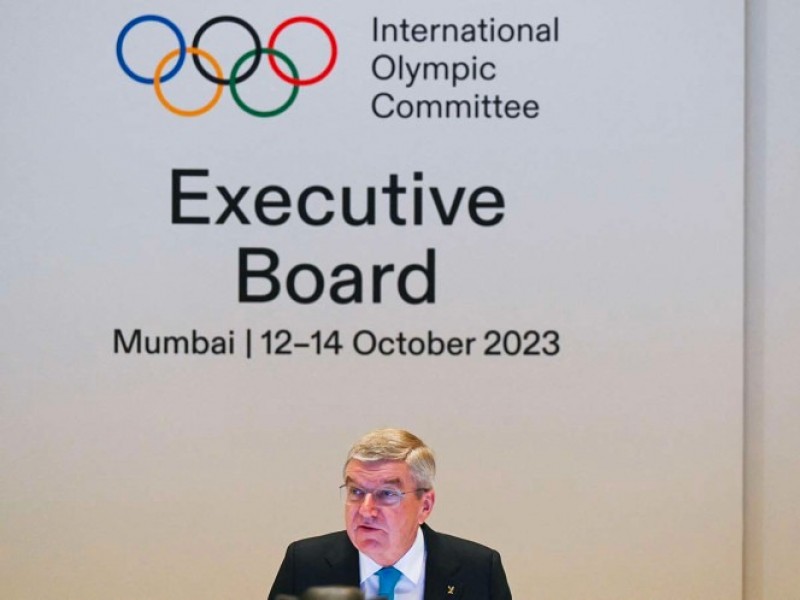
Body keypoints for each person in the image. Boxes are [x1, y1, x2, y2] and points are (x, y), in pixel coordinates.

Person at [268, 428, 512, 600]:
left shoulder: (478, 570)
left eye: (386, 494)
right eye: (356, 491)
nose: (366, 510)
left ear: (425, 506)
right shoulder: (305, 564)